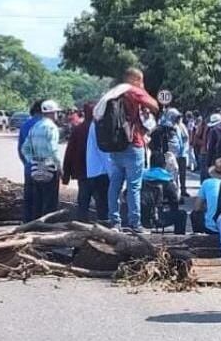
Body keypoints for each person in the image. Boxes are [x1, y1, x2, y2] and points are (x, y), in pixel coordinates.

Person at [95, 68, 159, 232]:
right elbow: (155, 105)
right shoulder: (133, 91)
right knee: (134, 186)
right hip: (133, 144)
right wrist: (143, 90)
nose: (142, 84)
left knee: (115, 184)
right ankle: (134, 223)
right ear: (135, 79)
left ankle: (114, 221)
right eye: (141, 80)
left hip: (116, 146)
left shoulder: (114, 93)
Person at [62, 102, 109, 222]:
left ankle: (81, 224)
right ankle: (104, 223)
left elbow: (69, 153)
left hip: (83, 172)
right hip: (101, 172)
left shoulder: (78, 130)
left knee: (83, 202)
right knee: (102, 202)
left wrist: (66, 176)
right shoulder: (103, 129)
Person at [22, 100, 63, 220]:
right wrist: (59, 166)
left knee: (37, 201)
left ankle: (36, 225)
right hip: (49, 166)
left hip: (36, 167)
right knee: (50, 202)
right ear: (51, 113)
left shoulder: (35, 127)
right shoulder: (51, 127)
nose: (57, 115)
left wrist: (32, 160)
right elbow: (53, 149)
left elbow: (25, 148)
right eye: (56, 112)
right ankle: (48, 226)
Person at [17, 100, 43, 222]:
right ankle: (43, 225)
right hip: (45, 168)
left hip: (29, 167)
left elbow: (20, 149)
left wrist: (27, 164)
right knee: (44, 199)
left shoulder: (25, 125)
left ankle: (27, 223)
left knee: (29, 198)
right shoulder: (46, 125)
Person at [193, 157, 221, 234]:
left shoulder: (207, 183)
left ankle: (198, 235)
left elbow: (197, 207)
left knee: (195, 214)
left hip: (211, 227)